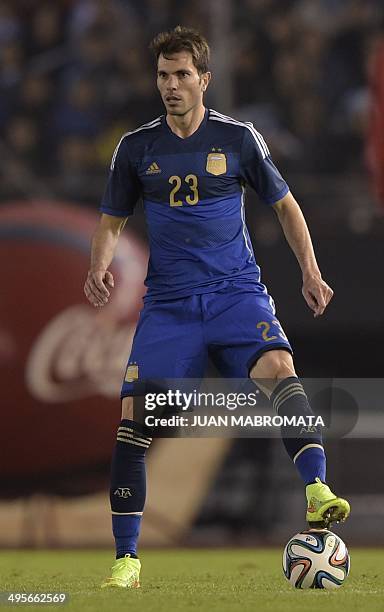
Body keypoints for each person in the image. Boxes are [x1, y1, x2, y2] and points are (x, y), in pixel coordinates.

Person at [84, 26, 350, 589]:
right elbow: (112, 221)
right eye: (163, 75)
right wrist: (98, 265)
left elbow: (286, 205)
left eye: (182, 75)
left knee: (281, 371)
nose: (171, 86)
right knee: (135, 424)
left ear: (204, 79)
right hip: (171, 305)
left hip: (235, 294)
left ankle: (317, 489)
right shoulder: (137, 148)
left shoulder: (239, 139)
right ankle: (126, 560)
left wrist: (310, 270)